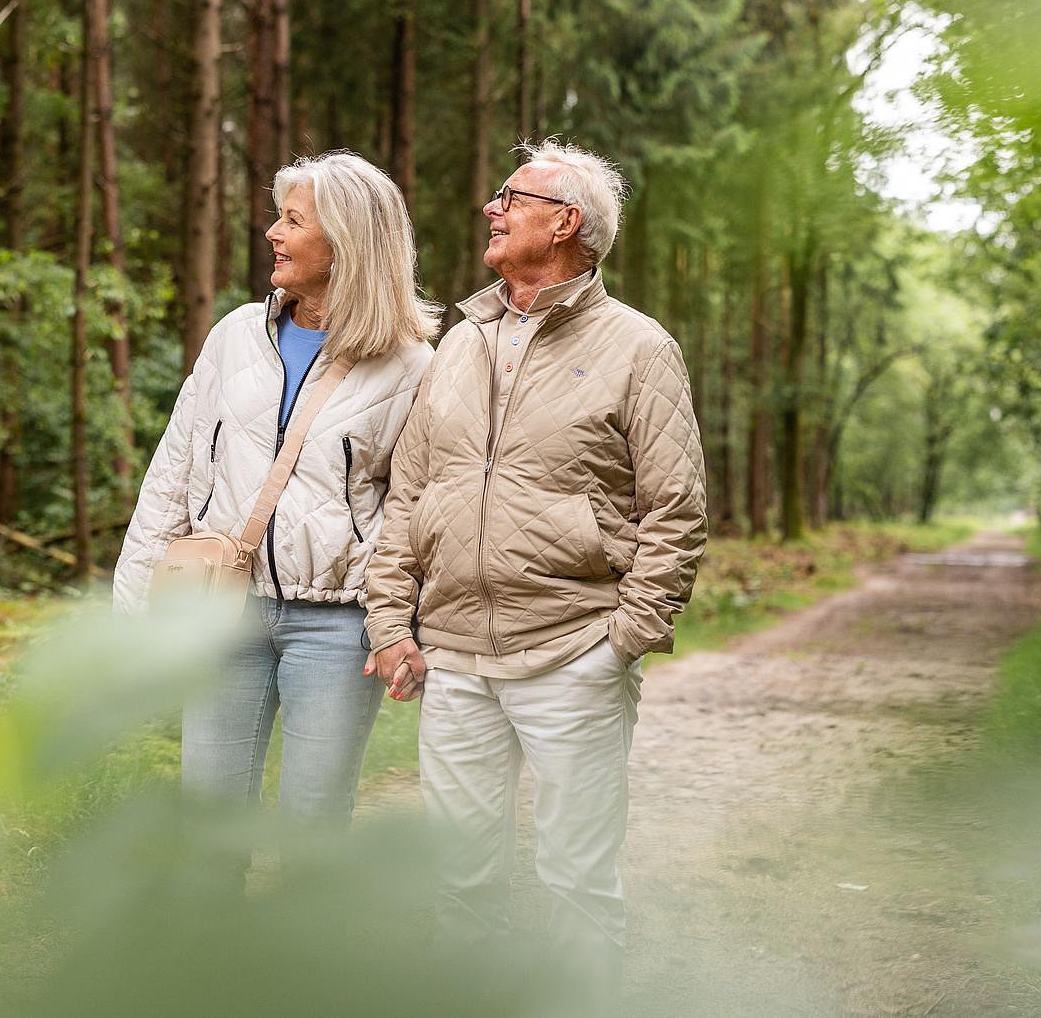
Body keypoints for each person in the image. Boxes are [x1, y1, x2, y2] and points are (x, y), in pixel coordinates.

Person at [363, 139, 707, 973]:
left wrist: (624, 637)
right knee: (459, 879)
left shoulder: (639, 347)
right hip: (456, 662)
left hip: (572, 651)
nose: (492, 207)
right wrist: (388, 620)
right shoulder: (461, 342)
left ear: (566, 222)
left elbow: (676, 507)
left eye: (510, 196)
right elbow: (409, 491)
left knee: (576, 880)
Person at [114, 152, 437, 826]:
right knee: (208, 817)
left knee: (313, 824)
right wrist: (134, 607)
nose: (272, 233)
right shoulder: (234, 336)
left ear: (346, 241)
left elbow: (418, 513)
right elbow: (173, 470)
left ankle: (306, 937)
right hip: (220, 608)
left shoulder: (411, 365)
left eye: (292, 220)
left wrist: (403, 627)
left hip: (339, 623)